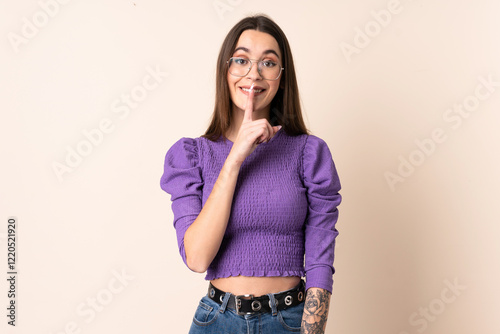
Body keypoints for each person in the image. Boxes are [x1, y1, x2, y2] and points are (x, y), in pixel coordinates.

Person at [160, 14, 342, 333]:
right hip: (216, 321)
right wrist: (235, 158)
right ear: (226, 70)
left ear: (281, 78)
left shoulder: (308, 153)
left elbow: (319, 264)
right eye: (241, 60)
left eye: (268, 63)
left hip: (288, 321)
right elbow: (197, 258)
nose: (253, 74)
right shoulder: (191, 155)